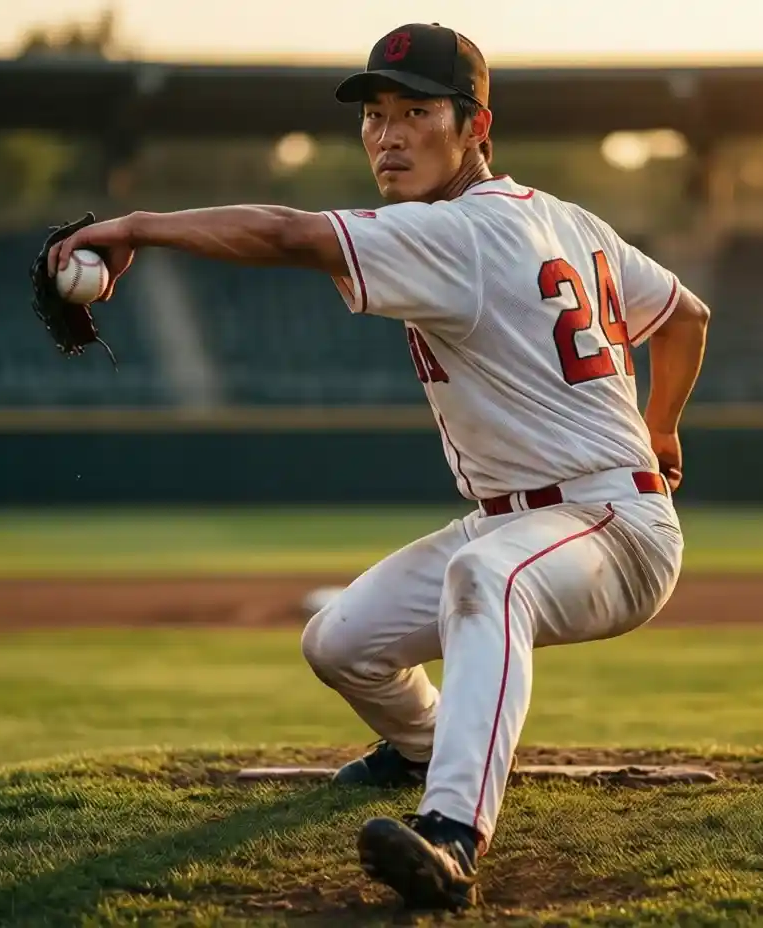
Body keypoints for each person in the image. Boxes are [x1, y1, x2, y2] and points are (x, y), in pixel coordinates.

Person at [49, 23, 711, 911]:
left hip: (612, 530)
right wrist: (660, 428)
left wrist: (136, 224)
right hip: (531, 516)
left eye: (416, 112)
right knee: (341, 642)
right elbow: (685, 316)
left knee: (488, 576)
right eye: (374, 115)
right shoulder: (561, 217)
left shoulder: (462, 233)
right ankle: (427, 749)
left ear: (477, 126)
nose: (387, 134)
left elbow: (287, 233)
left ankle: (453, 835)